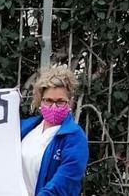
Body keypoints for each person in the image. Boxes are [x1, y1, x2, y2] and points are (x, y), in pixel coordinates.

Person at [19, 65, 89, 196]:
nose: (54, 106)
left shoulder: (75, 137)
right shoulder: (24, 128)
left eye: (60, 101)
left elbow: (65, 183)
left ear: (69, 102)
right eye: (49, 100)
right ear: (41, 100)